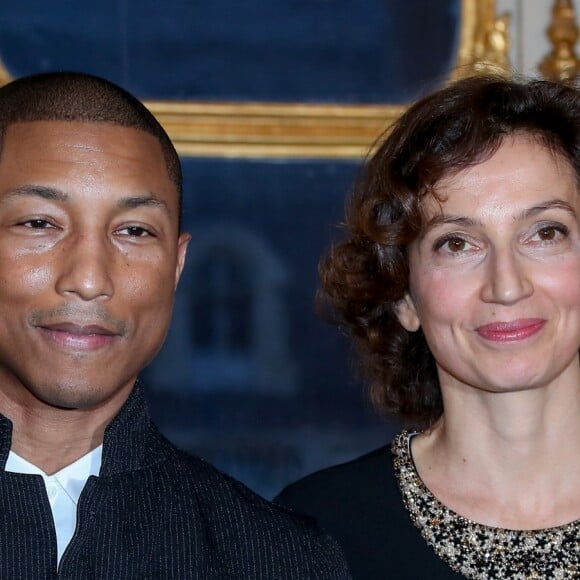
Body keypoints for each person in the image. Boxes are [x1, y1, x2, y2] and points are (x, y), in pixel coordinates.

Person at [0, 71, 350, 579]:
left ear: (177, 267)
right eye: (39, 223)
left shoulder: (278, 560)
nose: (90, 279)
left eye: (134, 231)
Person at [276, 75, 580, 579]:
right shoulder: (316, 534)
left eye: (545, 233)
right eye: (457, 243)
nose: (506, 285)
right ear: (403, 293)